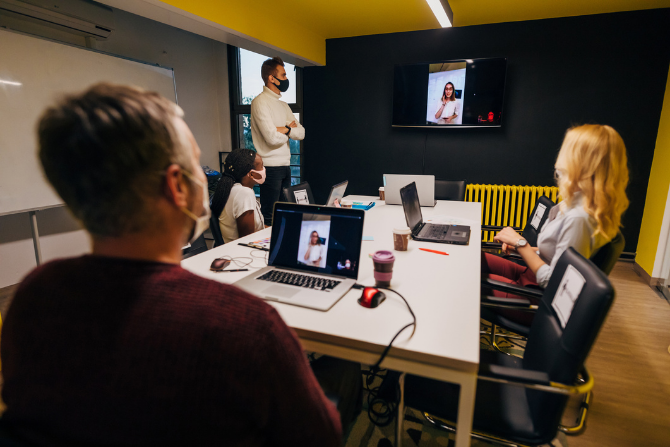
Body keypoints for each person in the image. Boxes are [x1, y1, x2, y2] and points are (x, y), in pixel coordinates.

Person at [0, 83, 355, 446]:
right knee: (346, 370)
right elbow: (318, 435)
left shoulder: (34, 296)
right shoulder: (245, 323)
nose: (206, 177)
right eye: (196, 166)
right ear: (176, 186)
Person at [482, 124, 629, 305]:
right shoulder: (575, 204)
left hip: (535, 296)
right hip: (530, 276)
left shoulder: (580, 218)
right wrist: (518, 246)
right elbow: (555, 254)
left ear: (580, 162)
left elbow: (555, 282)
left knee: (466, 279)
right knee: (475, 259)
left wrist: (521, 244)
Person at [250, 56, 305, 225]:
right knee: (270, 216)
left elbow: (301, 132)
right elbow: (271, 138)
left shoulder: (283, 105)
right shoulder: (259, 102)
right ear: (271, 78)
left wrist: (285, 129)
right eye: (283, 75)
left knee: (284, 214)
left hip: (285, 166)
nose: (286, 79)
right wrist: (290, 129)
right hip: (270, 168)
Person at [211, 149, 265, 243]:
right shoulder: (244, 193)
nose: (264, 169)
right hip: (241, 253)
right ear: (252, 174)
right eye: (262, 166)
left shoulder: (232, 188)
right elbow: (247, 240)